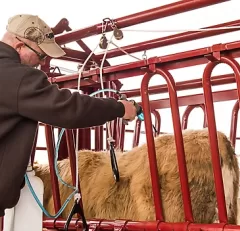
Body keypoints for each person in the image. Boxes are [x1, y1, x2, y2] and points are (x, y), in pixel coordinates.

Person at [0, 14, 138, 217]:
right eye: (41, 55)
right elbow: (69, 109)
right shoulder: (17, 76)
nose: (41, 62)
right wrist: (119, 108)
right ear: (20, 45)